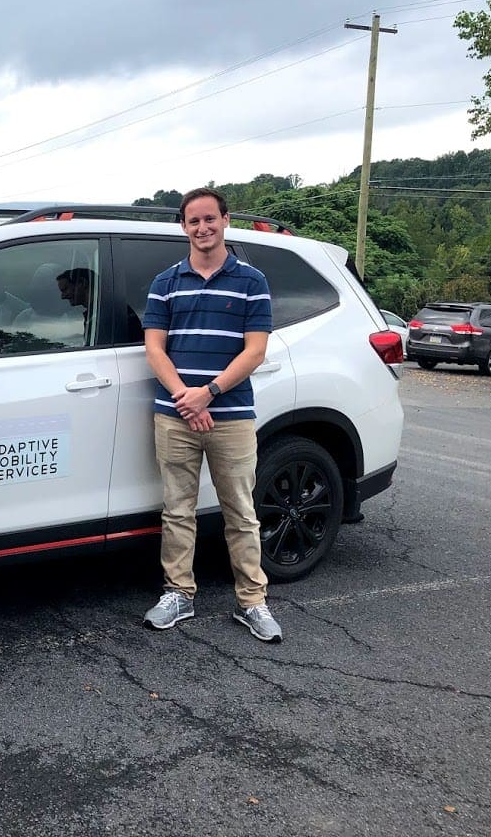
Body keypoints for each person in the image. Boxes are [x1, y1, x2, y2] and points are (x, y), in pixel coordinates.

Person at [140, 187, 283, 643]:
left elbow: (255, 350)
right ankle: (178, 593)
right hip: (175, 413)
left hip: (232, 415)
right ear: (183, 226)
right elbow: (154, 349)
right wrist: (187, 396)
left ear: (225, 221)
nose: (202, 228)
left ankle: (251, 602)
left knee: (241, 511)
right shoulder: (165, 281)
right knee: (177, 510)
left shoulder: (251, 281)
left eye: (210, 219)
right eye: (193, 221)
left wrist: (210, 392)